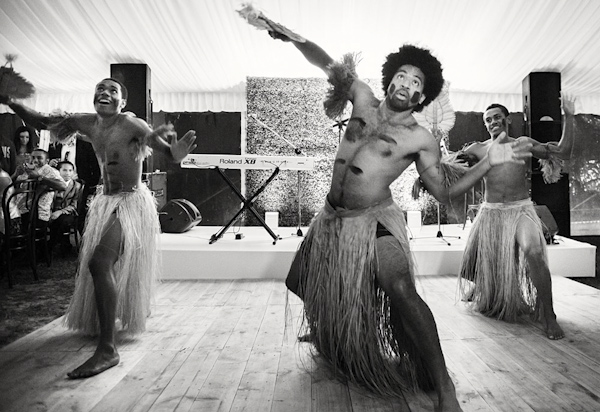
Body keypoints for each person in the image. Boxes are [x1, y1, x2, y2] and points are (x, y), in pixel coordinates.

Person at [258, 21, 531, 412]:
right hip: (332, 218)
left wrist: (488, 162)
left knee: (400, 288)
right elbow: (327, 64)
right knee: (298, 281)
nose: (406, 83)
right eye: (401, 75)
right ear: (390, 79)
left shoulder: (419, 137)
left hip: (375, 220)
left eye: (416, 81)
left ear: (423, 94)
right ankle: (335, 332)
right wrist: (293, 39)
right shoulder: (363, 98)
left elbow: (444, 191)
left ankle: (444, 386)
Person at [0, 77, 197, 379]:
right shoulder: (87, 123)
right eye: (99, 90)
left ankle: (108, 350)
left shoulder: (133, 124)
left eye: (112, 90)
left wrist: (175, 153)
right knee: (100, 266)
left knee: (99, 262)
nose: (104, 93)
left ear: (123, 102)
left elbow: (166, 151)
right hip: (105, 201)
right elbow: (40, 120)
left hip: (130, 203)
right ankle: (107, 326)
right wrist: (11, 101)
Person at [458, 98, 575, 340]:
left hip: (520, 209)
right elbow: (446, 168)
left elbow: (563, 152)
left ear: (508, 119)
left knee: (533, 251)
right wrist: (424, 177)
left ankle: (549, 315)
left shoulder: (523, 144)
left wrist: (569, 117)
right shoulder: (477, 149)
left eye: (497, 117)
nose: (493, 122)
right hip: (490, 211)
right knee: (474, 261)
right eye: (488, 120)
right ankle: (483, 288)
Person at [48, 131, 101, 232]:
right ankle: (58, 241)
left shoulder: (86, 145)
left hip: (79, 186)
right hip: (59, 186)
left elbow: (95, 168)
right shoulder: (56, 145)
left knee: (81, 215)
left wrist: (90, 187)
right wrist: (51, 162)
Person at [14, 148, 66, 228]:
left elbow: (63, 186)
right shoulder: (27, 169)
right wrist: (16, 174)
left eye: (39, 158)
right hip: (21, 209)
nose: (35, 160)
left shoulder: (50, 170)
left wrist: (40, 178)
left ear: (47, 160)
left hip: (37, 212)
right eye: (33, 157)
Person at [48, 160, 82, 255]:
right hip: (52, 210)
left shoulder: (76, 186)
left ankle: (59, 244)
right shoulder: (54, 183)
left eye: (70, 170)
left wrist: (60, 212)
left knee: (62, 221)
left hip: (68, 212)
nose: (68, 173)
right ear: (58, 171)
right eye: (65, 170)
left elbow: (74, 206)